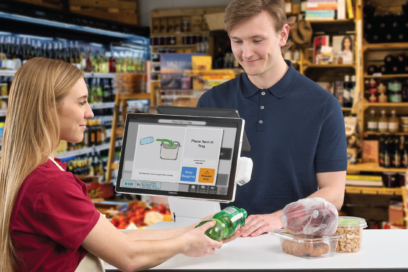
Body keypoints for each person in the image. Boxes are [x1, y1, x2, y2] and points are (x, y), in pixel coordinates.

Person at [0, 58, 242, 272]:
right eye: (82, 102)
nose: (90, 113)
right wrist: (187, 243)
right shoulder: (51, 185)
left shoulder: (24, 172)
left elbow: (116, 239)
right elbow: (128, 257)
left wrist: (196, 228)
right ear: (48, 108)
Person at [197, 0, 347, 238]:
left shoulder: (324, 105)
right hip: (221, 241)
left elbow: (334, 193)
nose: (246, 53)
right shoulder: (211, 102)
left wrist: (280, 218)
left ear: (283, 35)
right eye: (237, 41)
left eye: (257, 40)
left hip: (293, 240)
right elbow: (200, 178)